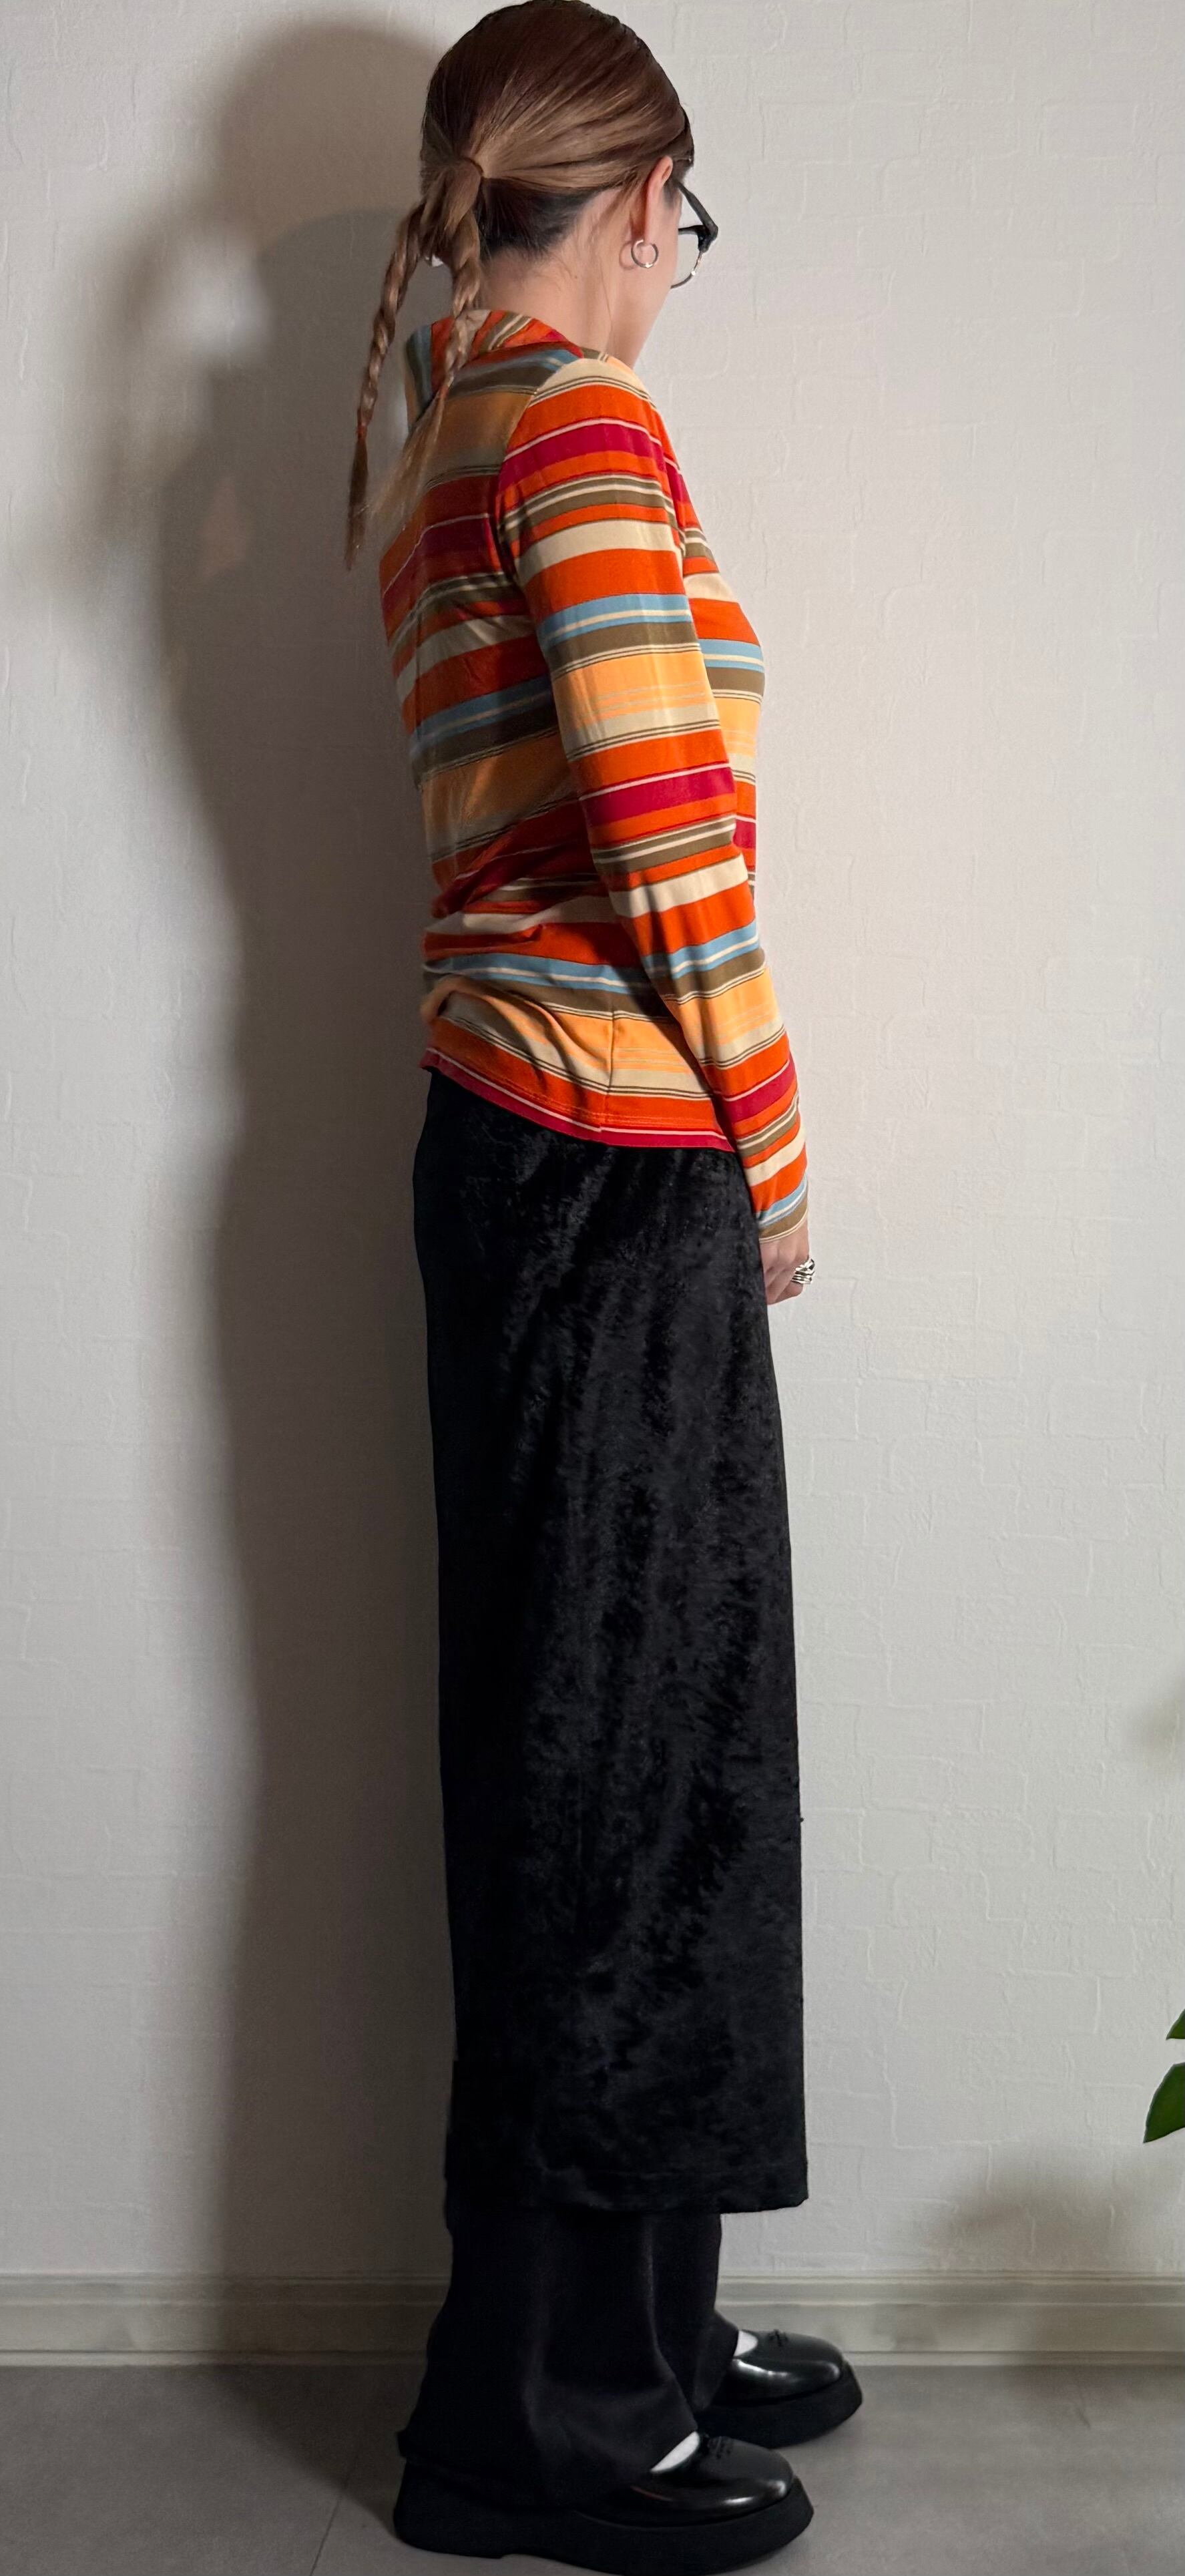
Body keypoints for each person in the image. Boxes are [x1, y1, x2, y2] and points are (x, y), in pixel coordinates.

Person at [344, 5, 861, 2567]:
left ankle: (638, 2326)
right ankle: (535, 2424)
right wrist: (775, 1145)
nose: (679, 264)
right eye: (687, 222)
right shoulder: (574, 425)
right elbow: (666, 831)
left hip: (532, 1157)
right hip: (604, 1163)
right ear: (644, 198)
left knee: (643, 1774)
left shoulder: (457, 422)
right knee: (616, 1794)